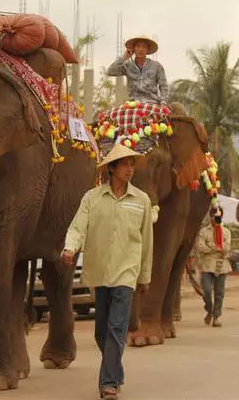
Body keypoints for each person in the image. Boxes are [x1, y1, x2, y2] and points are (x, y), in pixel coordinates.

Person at [61, 143, 153, 400]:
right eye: (124, 164)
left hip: (127, 272)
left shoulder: (142, 201)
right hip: (100, 272)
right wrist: (70, 248)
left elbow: (147, 242)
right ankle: (117, 370)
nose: (130, 169)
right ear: (111, 168)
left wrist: (144, 276)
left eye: (132, 164)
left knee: (116, 327)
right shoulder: (91, 198)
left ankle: (108, 383)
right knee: (101, 331)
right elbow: (78, 227)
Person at [195, 207, 231, 328]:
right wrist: (216, 247)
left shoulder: (226, 232)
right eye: (213, 216)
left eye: (218, 217)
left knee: (219, 293)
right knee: (206, 290)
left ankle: (216, 317)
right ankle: (209, 309)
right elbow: (200, 247)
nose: (216, 219)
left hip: (221, 265)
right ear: (210, 217)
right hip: (207, 265)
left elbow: (226, 248)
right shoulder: (203, 232)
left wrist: (211, 247)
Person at [107, 35, 168, 105]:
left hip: (152, 103)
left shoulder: (156, 66)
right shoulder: (127, 66)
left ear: (147, 50)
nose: (141, 49)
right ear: (133, 49)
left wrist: (163, 101)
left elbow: (163, 85)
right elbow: (110, 71)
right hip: (133, 103)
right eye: (138, 46)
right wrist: (124, 57)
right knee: (113, 114)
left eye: (144, 47)